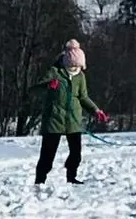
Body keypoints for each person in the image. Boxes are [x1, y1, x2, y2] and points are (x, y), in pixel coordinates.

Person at [35, 39, 109, 186]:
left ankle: (71, 177)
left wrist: (96, 110)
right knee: (47, 154)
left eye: (78, 66)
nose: (75, 69)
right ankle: (40, 180)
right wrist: (48, 86)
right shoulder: (54, 72)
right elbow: (35, 90)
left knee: (76, 153)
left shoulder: (80, 76)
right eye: (73, 66)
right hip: (54, 120)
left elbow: (83, 97)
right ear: (66, 62)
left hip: (73, 120)